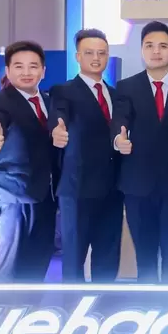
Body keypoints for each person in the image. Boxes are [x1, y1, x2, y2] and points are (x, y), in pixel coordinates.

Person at [111, 21, 168, 283]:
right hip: (137, 186)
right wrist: (118, 139)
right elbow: (120, 121)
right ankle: (148, 304)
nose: (156, 51)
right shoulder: (126, 87)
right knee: (145, 257)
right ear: (142, 51)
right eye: (149, 46)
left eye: (163, 46)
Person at [0, 40, 57, 281]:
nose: (26, 72)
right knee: (7, 273)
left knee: (36, 271)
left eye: (33, 66)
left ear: (43, 71)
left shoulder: (51, 103)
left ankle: (31, 307)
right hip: (10, 198)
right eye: (19, 66)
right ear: (8, 70)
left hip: (45, 197)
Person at [49, 29, 123, 282]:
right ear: (78, 56)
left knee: (108, 256)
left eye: (102, 53)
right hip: (77, 188)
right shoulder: (63, 91)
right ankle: (72, 304)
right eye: (89, 52)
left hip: (113, 189)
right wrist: (56, 130)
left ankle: (104, 302)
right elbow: (58, 116)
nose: (96, 58)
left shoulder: (116, 95)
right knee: (74, 259)